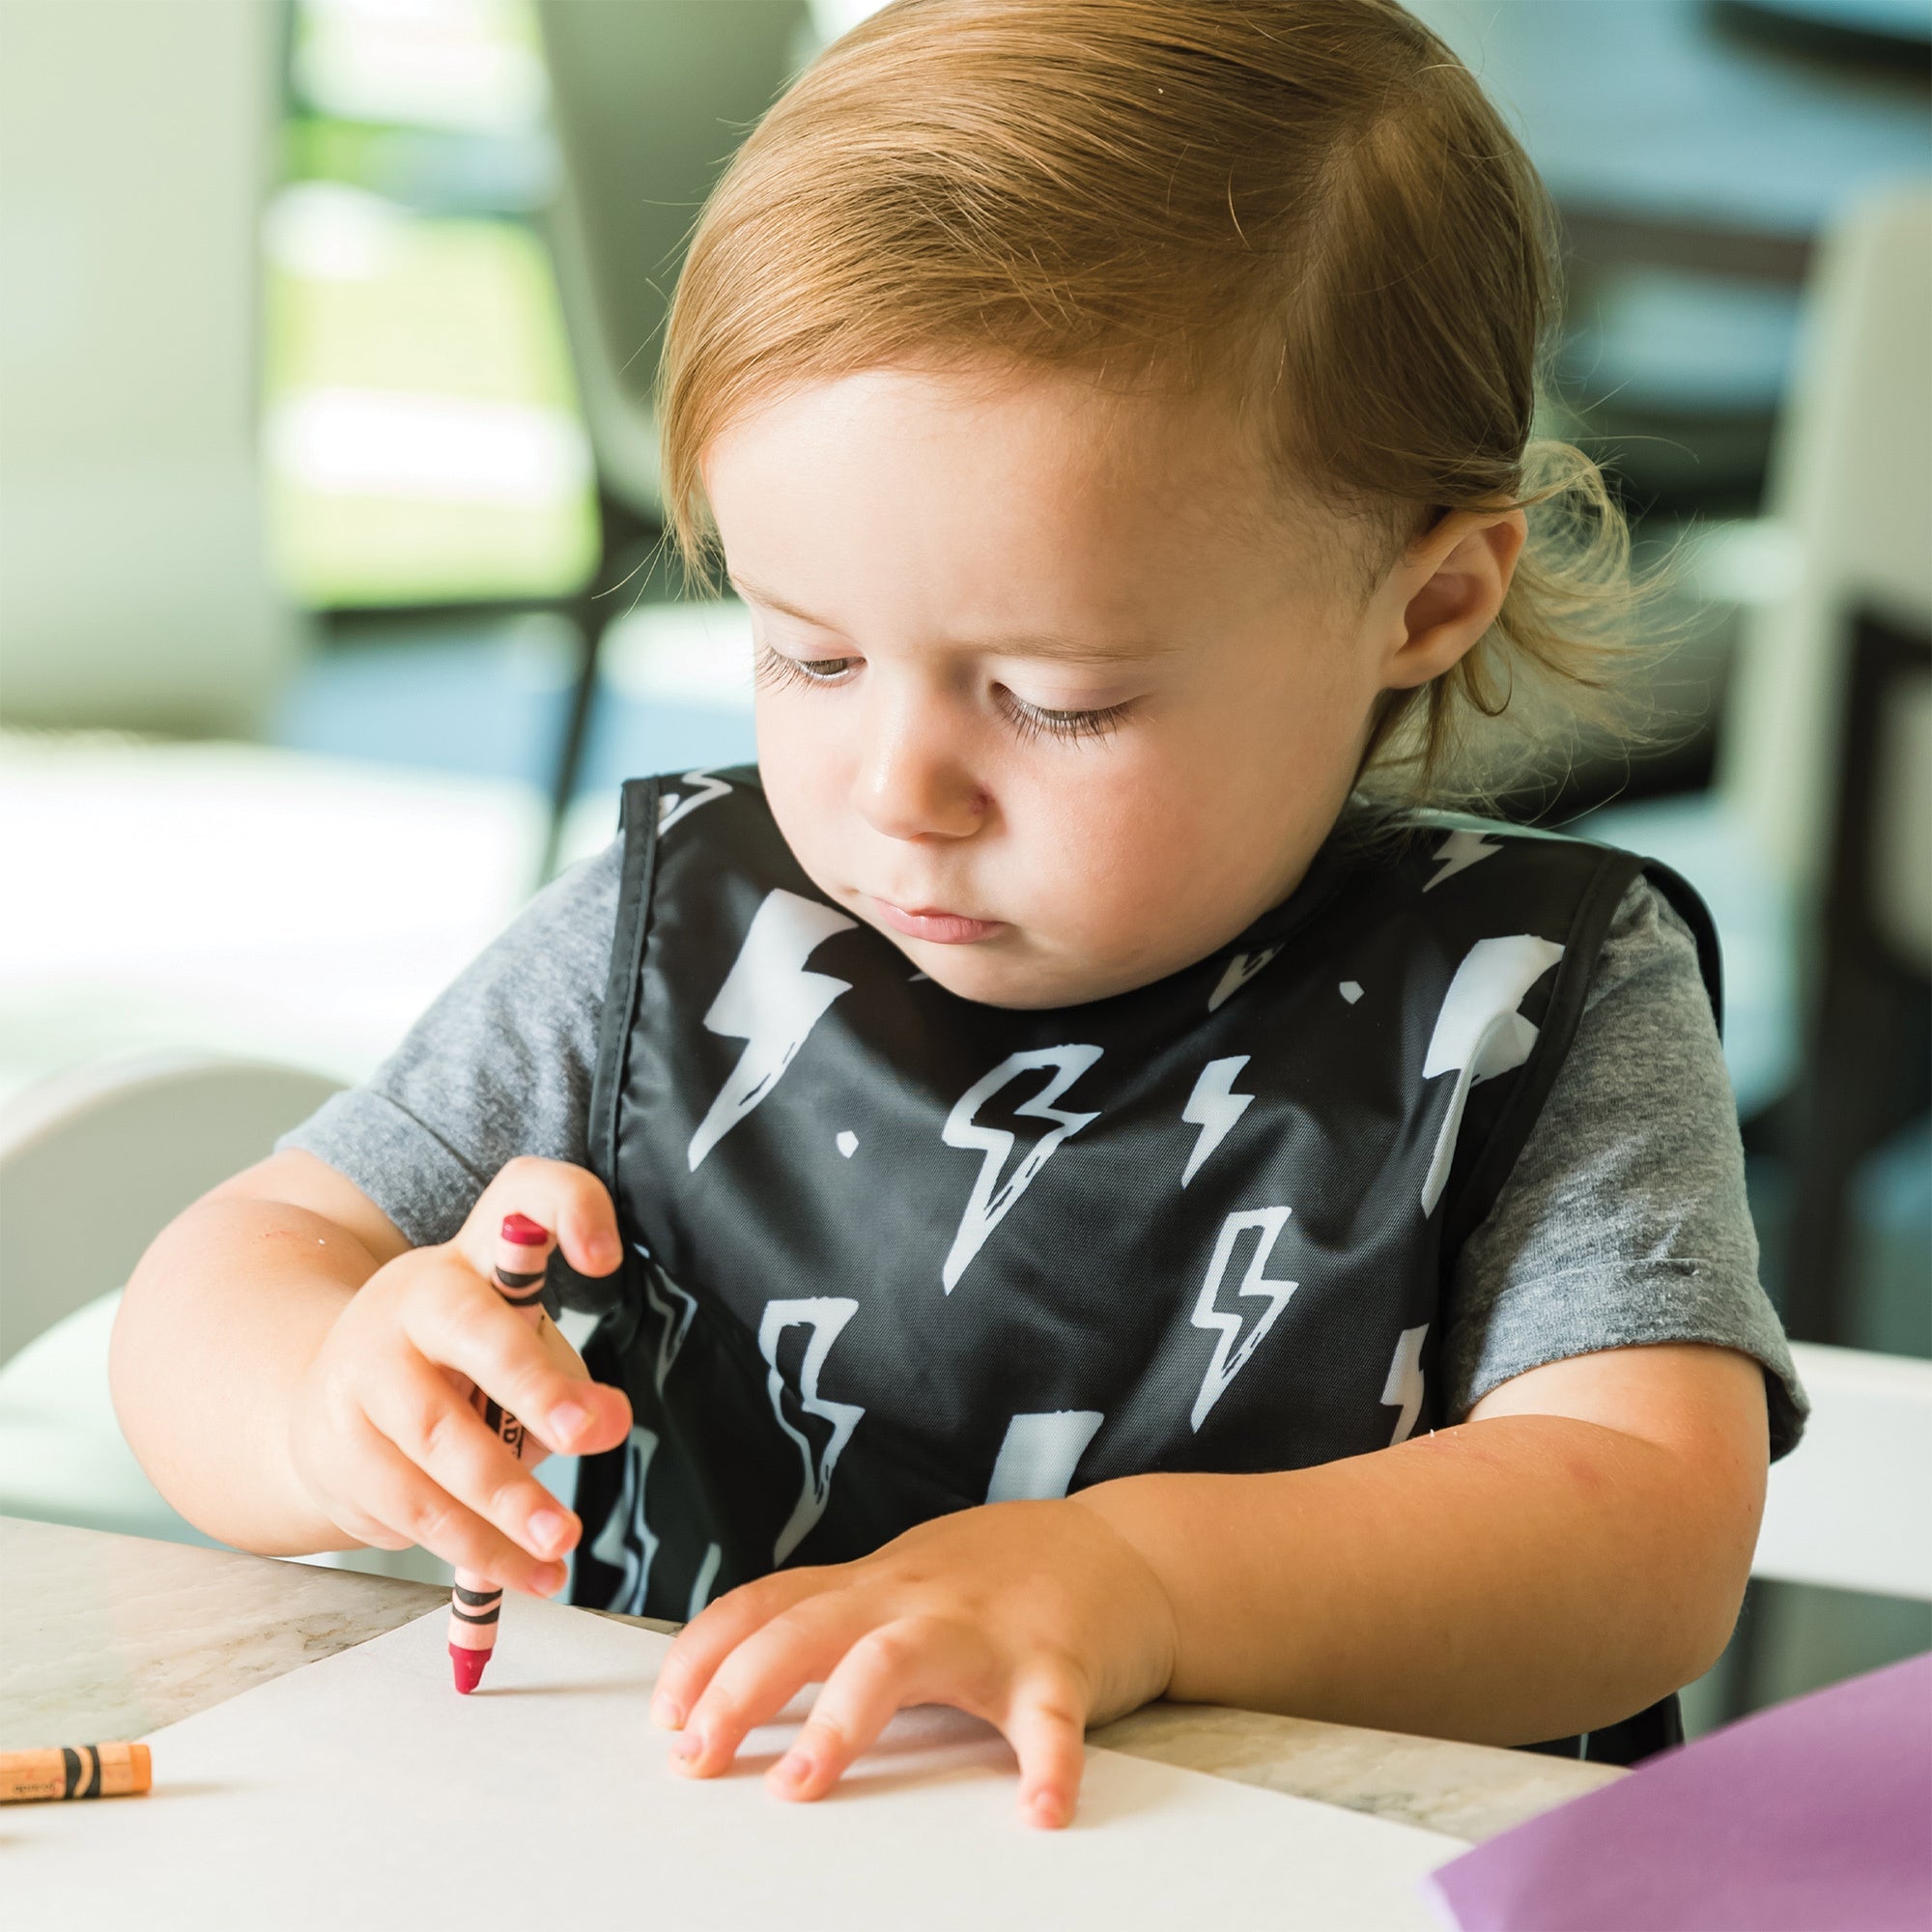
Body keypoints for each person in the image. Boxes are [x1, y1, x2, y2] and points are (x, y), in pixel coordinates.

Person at [111, 0, 1804, 1831]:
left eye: (1057, 696)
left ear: (1424, 601)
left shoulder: (1536, 995)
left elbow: (1640, 1536)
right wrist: (322, 1401)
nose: (895, 790)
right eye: (807, 653)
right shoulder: (678, 938)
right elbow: (228, 1278)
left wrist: (1136, 1585)